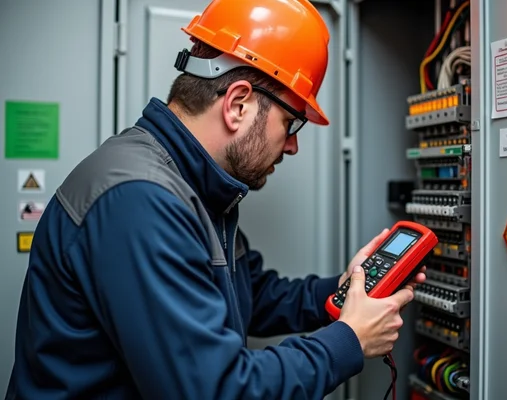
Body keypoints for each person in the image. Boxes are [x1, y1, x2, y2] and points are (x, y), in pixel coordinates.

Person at [5, 0, 426, 399]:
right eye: (291, 122)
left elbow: (251, 295)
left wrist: (346, 289)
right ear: (238, 104)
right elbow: (216, 390)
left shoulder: (193, 188)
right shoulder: (140, 200)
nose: (293, 145)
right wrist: (348, 340)